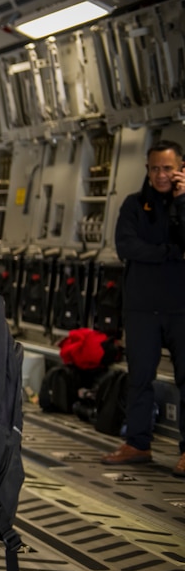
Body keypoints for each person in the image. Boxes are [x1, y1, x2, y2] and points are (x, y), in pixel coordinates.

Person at [101, 140, 185, 476]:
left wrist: (182, 202)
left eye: (167, 168)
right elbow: (126, 246)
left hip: (181, 308)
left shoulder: (182, 203)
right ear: (147, 169)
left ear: (180, 169)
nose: (161, 175)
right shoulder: (134, 206)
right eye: (154, 168)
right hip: (141, 308)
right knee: (139, 378)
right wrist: (170, 253)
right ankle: (138, 443)